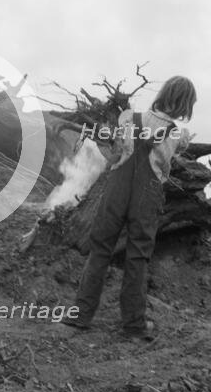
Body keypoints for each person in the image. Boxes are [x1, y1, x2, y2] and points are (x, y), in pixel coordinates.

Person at [63, 76, 197, 339]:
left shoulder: (127, 117)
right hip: (146, 196)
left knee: (100, 250)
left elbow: (117, 148)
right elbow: (176, 150)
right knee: (137, 256)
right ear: (184, 105)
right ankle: (134, 326)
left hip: (116, 190)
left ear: (163, 93)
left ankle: (80, 315)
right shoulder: (177, 134)